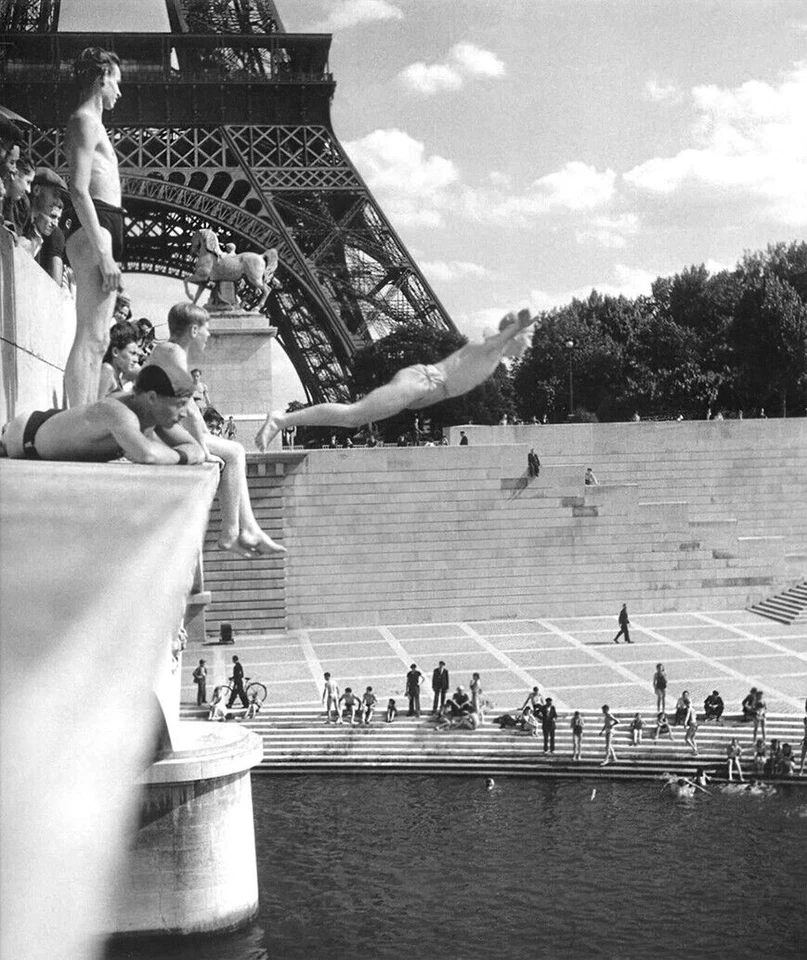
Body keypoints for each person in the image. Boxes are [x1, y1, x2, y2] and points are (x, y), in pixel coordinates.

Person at [255, 310, 536, 450]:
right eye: (529, 336)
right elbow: (511, 330)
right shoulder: (490, 347)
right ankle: (281, 420)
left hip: (425, 390)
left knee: (355, 417)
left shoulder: (493, 357)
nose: (530, 342)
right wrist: (521, 323)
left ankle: (282, 421)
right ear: (514, 333)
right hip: (423, 382)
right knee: (354, 416)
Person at [145, 303, 285, 558]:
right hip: (156, 433)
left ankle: (245, 528)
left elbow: (189, 407)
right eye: (207, 328)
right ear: (195, 330)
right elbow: (187, 406)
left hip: (159, 428)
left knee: (235, 451)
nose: (210, 334)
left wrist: (202, 440)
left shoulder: (168, 351)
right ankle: (232, 531)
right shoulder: (173, 352)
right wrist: (202, 447)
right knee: (234, 452)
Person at [63, 47, 125, 407]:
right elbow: (77, 187)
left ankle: (82, 417)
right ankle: (78, 422)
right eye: (117, 82)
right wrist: (103, 250)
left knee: (100, 338)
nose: (120, 91)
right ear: (102, 79)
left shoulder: (95, 123)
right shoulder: (85, 120)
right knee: (90, 335)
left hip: (105, 221)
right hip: (95, 223)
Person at [1, 362, 204, 466]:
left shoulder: (152, 413)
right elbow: (147, 454)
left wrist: (184, 454)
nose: (185, 413)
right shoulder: (119, 412)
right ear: (152, 397)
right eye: (180, 404)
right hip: (26, 436)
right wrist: (183, 456)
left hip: (55, 428)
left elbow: (197, 450)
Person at [97, 321, 140, 397]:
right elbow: (93, 406)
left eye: (137, 355)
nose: (136, 360)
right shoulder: (107, 370)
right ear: (115, 352)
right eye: (132, 353)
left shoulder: (115, 376)